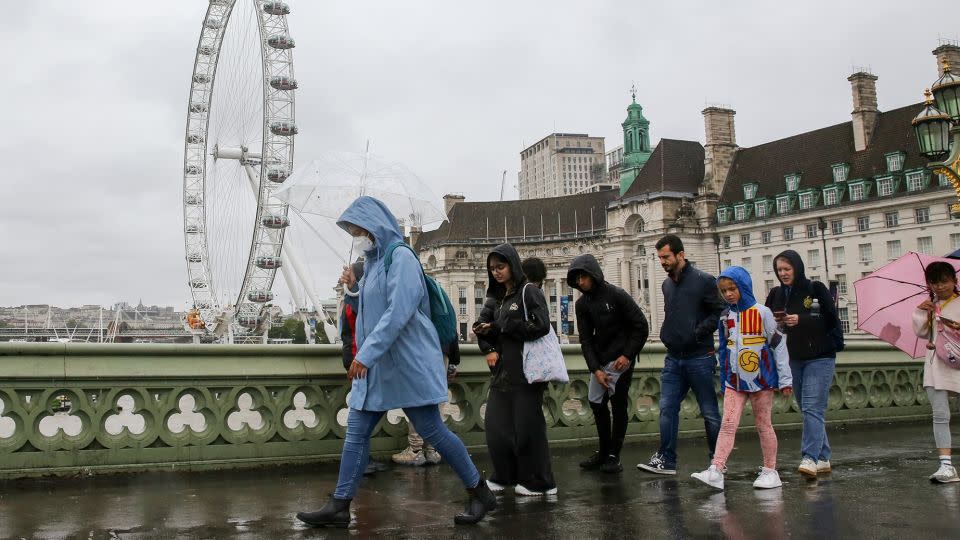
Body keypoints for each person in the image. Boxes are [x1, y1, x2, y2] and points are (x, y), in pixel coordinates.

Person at [296, 196, 495, 527]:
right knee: (357, 431)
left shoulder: (401, 257)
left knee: (433, 429)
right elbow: (368, 315)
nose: (357, 237)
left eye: (359, 230)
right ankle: (340, 503)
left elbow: (399, 313)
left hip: (407, 364)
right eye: (353, 232)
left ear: (375, 226)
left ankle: (480, 492)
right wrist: (354, 289)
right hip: (381, 367)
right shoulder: (373, 264)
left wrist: (365, 355)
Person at [691, 266, 792, 490]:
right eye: (724, 290)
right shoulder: (726, 316)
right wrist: (724, 375)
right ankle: (716, 469)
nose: (727, 294)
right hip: (734, 381)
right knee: (728, 423)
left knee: (763, 425)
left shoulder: (763, 312)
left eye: (732, 289)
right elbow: (724, 349)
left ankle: (770, 470)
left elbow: (778, 345)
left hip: (762, 380)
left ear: (743, 287)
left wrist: (785, 380)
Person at [473, 244, 558, 496]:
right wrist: (489, 332)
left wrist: (506, 325)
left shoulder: (529, 291)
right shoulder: (498, 297)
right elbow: (500, 327)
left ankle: (541, 482)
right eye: (492, 269)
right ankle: (505, 475)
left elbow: (541, 325)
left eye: (501, 267)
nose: (497, 272)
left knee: (528, 429)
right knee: (496, 428)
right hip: (502, 371)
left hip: (526, 371)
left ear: (513, 265)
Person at [638, 235, 724, 475]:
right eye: (660, 258)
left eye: (666, 257)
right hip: (674, 356)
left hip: (700, 356)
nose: (662, 262)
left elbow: (719, 312)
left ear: (680, 255)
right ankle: (666, 459)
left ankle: (717, 462)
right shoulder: (667, 285)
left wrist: (698, 332)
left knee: (709, 411)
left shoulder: (704, 281)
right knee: (667, 408)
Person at [565, 254, 649, 473]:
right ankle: (603, 451)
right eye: (577, 279)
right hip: (600, 361)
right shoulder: (582, 304)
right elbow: (585, 339)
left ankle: (614, 454)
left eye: (583, 277)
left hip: (621, 360)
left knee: (618, 405)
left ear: (594, 274)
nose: (580, 283)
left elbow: (641, 326)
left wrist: (627, 355)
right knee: (596, 404)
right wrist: (594, 368)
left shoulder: (617, 295)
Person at [764, 249, 843, 478]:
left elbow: (829, 318)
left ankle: (809, 456)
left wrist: (802, 320)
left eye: (787, 269)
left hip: (820, 355)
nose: (783, 273)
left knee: (812, 407)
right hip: (793, 357)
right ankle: (823, 457)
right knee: (808, 409)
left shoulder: (815, 289)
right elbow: (768, 324)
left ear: (797, 268)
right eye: (779, 270)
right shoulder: (776, 294)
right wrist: (779, 324)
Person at [338, 261, 389, 476]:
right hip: (360, 362)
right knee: (360, 417)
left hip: (361, 360)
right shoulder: (354, 301)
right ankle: (363, 461)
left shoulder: (352, 299)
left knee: (363, 418)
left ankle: (363, 459)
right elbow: (357, 326)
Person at [912, 261, 960, 483]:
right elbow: (921, 333)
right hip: (935, 363)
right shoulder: (929, 306)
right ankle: (946, 466)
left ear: (954, 281)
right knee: (940, 415)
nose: (940, 287)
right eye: (934, 282)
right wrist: (922, 313)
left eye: (944, 281)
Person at [391, 339, 460, 466]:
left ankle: (415, 450)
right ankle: (432, 450)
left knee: (416, 397)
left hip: (417, 347)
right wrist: (454, 360)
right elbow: (449, 324)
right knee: (437, 399)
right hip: (442, 348)